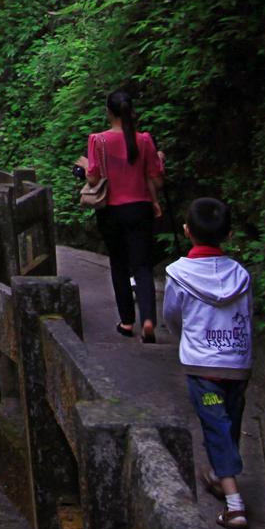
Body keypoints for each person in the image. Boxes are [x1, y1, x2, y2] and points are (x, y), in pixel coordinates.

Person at [162, 196, 254, 529]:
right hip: (238, 363)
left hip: (202, 367)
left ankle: (234, 505)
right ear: (228, 235)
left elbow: (172, 315)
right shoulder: (240, 275)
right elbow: (247, 316)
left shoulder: (179, 274)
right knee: (229, 420)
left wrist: (181, 336)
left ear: (187, 231)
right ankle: (220, 474)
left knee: (216, 424)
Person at [77, 90, 165, 342]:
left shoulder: (98, 141)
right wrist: (155, 199)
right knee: (143, 265)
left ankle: (127, 322)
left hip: (111, 211)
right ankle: (148, 319)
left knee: (119, 264)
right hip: (140, 208)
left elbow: (93, 177)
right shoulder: (145, 140)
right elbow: (155, 178)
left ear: (109, 112)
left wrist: (84, 167)